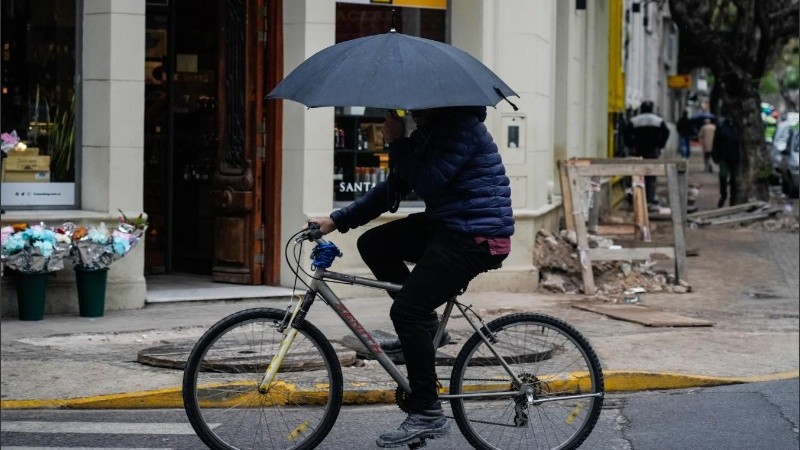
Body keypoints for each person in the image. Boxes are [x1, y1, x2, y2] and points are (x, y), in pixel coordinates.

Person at [310, 106, 514, 448]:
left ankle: (427, 412)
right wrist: (334, 220)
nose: (412, 110)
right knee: (374, 243)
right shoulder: (429, 134)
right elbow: (390, 191)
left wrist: (398, 142)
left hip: (477, 237)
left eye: (418, 105)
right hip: (449, 227)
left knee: (407, 310)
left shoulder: (460, 129)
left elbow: (428, 180)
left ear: (439, 103)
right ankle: (428, 329)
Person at [624, 100, 670, 211]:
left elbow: (625, 134)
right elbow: (666, 132)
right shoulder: (658, 120)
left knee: (636, 175)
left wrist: (630, 145)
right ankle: (648, 200)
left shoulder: (634, 120)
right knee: (651, 176)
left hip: (638, 151)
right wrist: (660, 145)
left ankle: (636, 200)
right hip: (652, 151)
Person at [712, 114, 740, 208]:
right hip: (724, 157)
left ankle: (733, 199)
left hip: (735, 158)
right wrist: (716, 156)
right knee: (723, 177)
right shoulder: (722, 126)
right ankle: (723, 196)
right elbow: (716, 142)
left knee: (734, 180)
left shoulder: (738, 126)